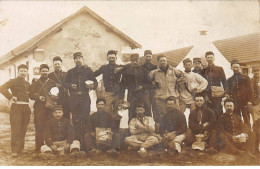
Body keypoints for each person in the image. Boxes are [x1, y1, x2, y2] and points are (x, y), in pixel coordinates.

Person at [64, 52, 98, 145]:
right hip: (74, 98)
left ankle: (85, 141)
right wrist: (71, 85)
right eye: (76, 58)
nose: (78, 60)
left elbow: (95, 83)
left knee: (85, 118)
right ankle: (77, 140)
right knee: (75, 118)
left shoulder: (88, 71)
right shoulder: (70, 72)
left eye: (79, 58)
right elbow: (65, 83)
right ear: (74, 60)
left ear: (82, 59)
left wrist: (92, 86)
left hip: (85, 97)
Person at [0, 64, 31, 157]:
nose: (23, 72)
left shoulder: (27, 83)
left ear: (27, 72)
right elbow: (2, 88)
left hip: (26, 107)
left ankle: (21, 149)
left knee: (24, 128)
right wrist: (11, 97)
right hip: (16, 107)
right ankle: (15, 150)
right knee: (16, 128)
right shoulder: (12, 81)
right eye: (21, 71)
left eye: (25, 71)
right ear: (18, 72)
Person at [149, 55, 186, 129]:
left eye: (164, 60)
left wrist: (177, 81)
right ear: (158, 62)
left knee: (175, 114)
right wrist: (153, 84)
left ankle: (176, 131)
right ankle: (164, 132)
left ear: (166, 61)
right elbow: (147, 80)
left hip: (173, 97)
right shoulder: (154, 72)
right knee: (163, 116)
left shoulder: (173, 70)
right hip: (160, 98)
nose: (163, 62)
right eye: (161, 61)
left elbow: (184, 76)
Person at [29, 64, 56, 153]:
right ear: (40, 72)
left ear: (48, 72)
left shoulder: (52, 82)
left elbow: (56, 94)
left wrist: (54, 96)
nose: (44, 72)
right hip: (39, 108)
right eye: (43, 71)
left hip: (49, 108)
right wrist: (38, 97)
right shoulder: (35, 81)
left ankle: (49, 146)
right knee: (39, 127)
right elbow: (31, 94)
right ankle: (38, 147)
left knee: (49, 126)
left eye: (46, 71)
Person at [120, 53, 152, 121]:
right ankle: (132, 129)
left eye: (136, 60)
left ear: (139, 60)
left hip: (143, 94)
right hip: (132, 95)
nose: (135, 62)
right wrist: (121, 97)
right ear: (130, 61)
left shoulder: (144, 70)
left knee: (147, 109)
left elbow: (149, 83)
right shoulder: (126, 72)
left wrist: (143, 87)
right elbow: (122, 85)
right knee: (132, 111)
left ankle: (149, 127)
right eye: (133, 60)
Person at [94, 50, 122, 120]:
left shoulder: (120, 67)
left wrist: (122, 68)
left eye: (113, 57)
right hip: (107, 93)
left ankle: (116, 129)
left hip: (117, 93)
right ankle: (108, 128)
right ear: (107, 58)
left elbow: (128, 68)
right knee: (107, 111)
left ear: (116, 58)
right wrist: (87, 69)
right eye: (110, 58)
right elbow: (94, 74)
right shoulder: (104, 67)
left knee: (117, 112)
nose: (111, 59)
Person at [225, 60, 253, 127]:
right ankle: (239, 133)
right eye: (234, 67)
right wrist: (227, 94)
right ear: (231, 68)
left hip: (245, 101)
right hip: (235, 102)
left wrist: (250, 101)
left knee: (246, 118)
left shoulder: (246, 77)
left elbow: (250, 90)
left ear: (239, 67)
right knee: (237, 118)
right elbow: (227, 90)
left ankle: (248, 133)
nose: (235, 69)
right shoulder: (229, 79)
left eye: (237, 67)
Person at [201, 51, 226, 120]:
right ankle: (211, 129)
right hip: (207, 94)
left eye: (211, 57)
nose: (209, 59)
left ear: (214, 58)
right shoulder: (203, 70)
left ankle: (219, 128)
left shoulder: (219, 69)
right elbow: (202, 84)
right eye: (208, 57)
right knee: (209, 112)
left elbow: (224, 81)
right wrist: (205, 95)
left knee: (218, 111)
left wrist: (225, 93)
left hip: (217, 94)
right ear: (206, 59)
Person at [250, 64, 260, 152]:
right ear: (252, 72)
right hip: (255, 104)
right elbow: (249, 93)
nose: (256, 72)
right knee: (256, 124)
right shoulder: (250, 81)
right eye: (255, 71)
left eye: (258, 70)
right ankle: (256, 146)